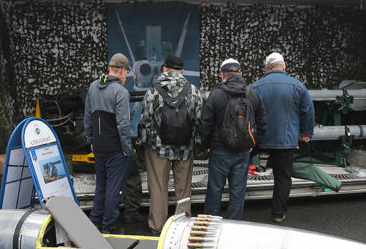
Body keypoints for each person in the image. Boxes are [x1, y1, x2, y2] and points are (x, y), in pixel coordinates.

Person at [139, 55, 203, 234]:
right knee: (183, 188)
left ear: (164, 69)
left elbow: (145, 121)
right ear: (181, 70)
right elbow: (199, 122)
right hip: (185, 148)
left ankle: (157, 227)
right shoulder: (194, 91)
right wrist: (197, 145)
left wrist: (148, 142)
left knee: (158, 187)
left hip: (158, 149)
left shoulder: (153, 91)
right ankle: (183, 226)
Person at [198, 58, 266, 220]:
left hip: (219, 149)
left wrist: (204, 146)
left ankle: (210, 224)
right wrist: (252, 144)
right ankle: (233, 225)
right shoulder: (254, 95)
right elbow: (262, 124)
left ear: (222, 76)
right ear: (241, 74)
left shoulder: (216, 95)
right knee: (238, 190)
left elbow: (205, 124)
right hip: (243, 151)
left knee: (215, 189)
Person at [251, 52, 314, 223]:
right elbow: (308, 112)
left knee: (239, 169)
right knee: (282, 177)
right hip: (285, 139)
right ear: (284, 67)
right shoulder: (298, 86)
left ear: (266, 68)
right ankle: (278, 214)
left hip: (258, 138)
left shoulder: (254, 87)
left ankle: (236, 208)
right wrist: (306, 132)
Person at [83, 53, 133, 234]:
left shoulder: (93, 87)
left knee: (101, 186)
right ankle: (109, 226)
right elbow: (123, 124)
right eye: (126, 72)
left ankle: (95, 220)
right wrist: (128, 149)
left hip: (98, 146)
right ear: (120, 71)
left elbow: (87, 117)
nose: (126, 76)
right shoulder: (121, 92)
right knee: (114, 189)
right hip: (116, 148)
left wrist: (90, 140)